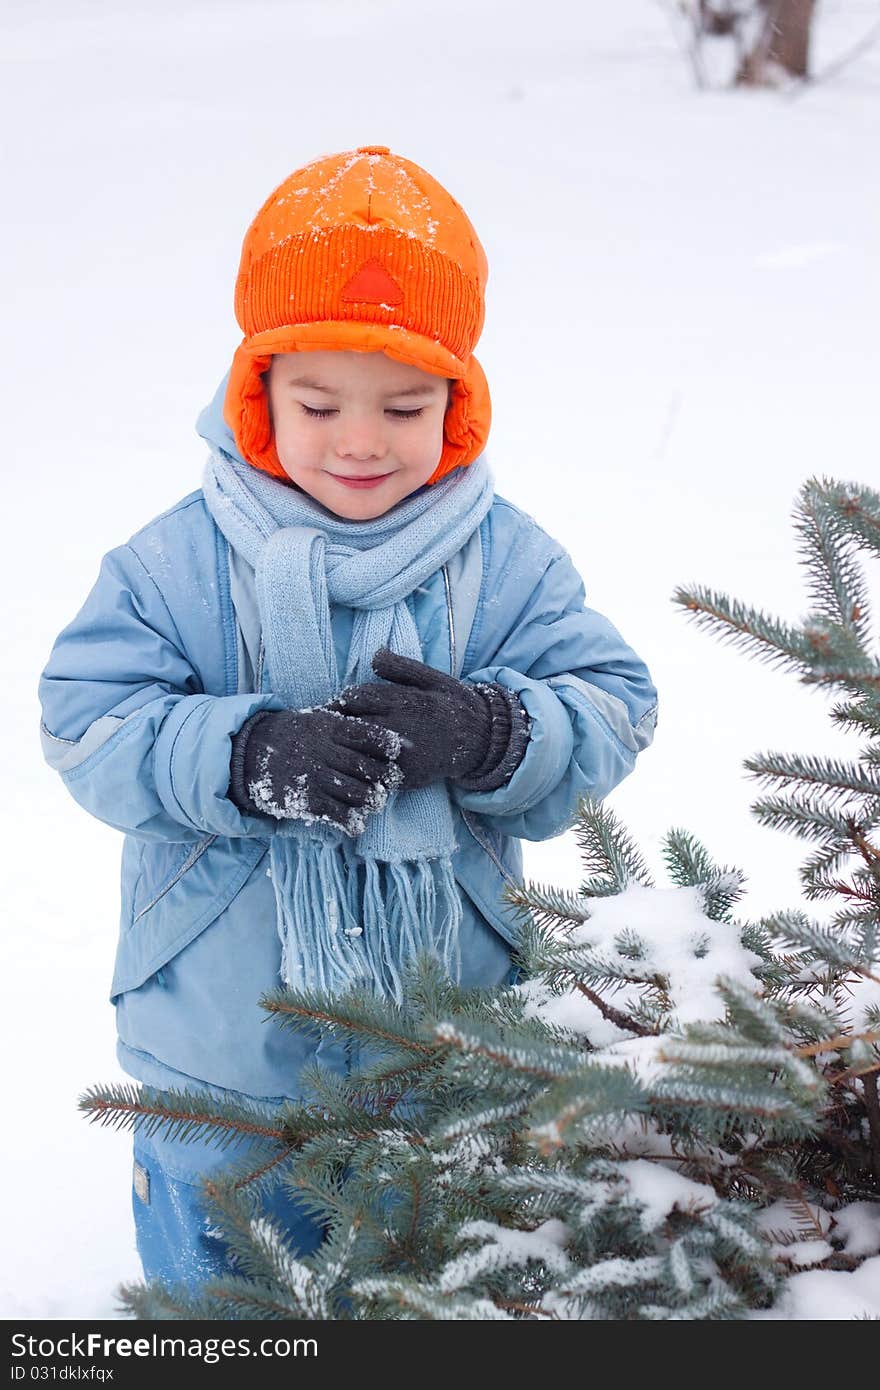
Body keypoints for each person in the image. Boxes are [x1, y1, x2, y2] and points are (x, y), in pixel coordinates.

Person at [38, 145, 659, 1293]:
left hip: (445, 1041)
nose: (361, 441)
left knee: (434, 1296)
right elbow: (87, 718)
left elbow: (613, 700)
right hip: (221, 1053)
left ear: (458, 405)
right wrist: (240, 753)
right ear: (258, 394)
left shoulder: (503, 560)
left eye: (404, 405)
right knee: (225, 1305)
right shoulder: (175, 560)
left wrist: (490, 733)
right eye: (320, 403)